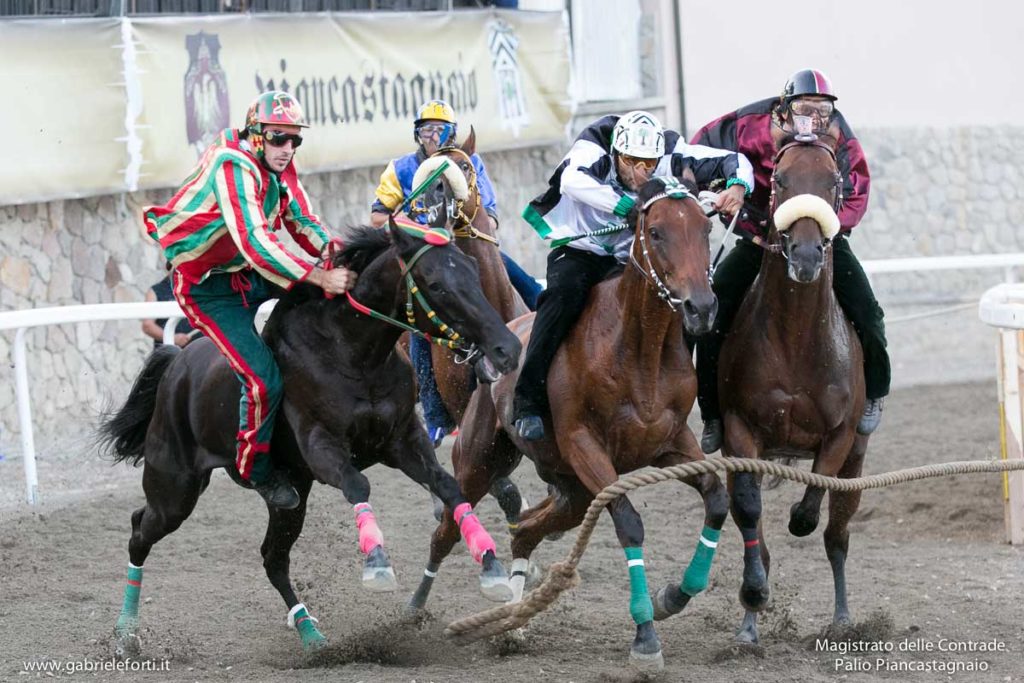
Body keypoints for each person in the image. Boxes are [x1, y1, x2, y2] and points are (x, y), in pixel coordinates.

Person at [143, 90, 358, 509]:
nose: (288, 148)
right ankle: (255, 469)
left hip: (245, 272)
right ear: (256, 136)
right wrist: (319, 275)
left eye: (295, 140)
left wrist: (338, 255)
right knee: (262, 380)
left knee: (328, 294)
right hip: (207, 290)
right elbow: (258, 242)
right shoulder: (232, 165)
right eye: (279, 138)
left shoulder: (280, 166)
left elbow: (302, 221)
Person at [512, 110, 755, 440]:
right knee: (563, 296)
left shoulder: (672, 150)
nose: (640, 171)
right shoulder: (595, 143)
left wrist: (738, 187)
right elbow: (572, 181)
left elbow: (735, 161)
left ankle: (675, 398)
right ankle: (528, 400)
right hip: (581, 250)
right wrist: (625, 206)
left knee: (681, 302)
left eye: (649, 163)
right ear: (615, 153)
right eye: (630, 161)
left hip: (632, 256)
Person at [690, 68, 890, 454]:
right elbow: (701, 151)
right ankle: (712, 412)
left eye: (822, 110)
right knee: (713, 316)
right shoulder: (747, 124)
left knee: (868, 312)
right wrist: (721, 201)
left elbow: (857, 193)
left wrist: (828, 230)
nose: (813, 119)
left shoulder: (840, 136)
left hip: (819, 240)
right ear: (785, 107)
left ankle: (875, 393)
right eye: (804, 108)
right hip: (760, 238)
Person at [370, 99, 543, 445]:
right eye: (426, 129)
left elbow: (490, 215)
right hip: (426, 257)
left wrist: (475, 230)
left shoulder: (470, 162)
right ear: (417, 134)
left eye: (440, 129)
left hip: (470, 247)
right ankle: (434, 414)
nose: (432, 136)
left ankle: (547, 331)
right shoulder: (401, 168)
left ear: (452, 133)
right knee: (422, 326)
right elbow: (377, 218)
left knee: (523, 282)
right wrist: (413, 222)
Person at [141, 262, 200, 348]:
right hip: (170, 352)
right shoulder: (155, 291)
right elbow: (147, 325)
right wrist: (173, 338)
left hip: (200, 350)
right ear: (169, 267)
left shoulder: (198, 288)